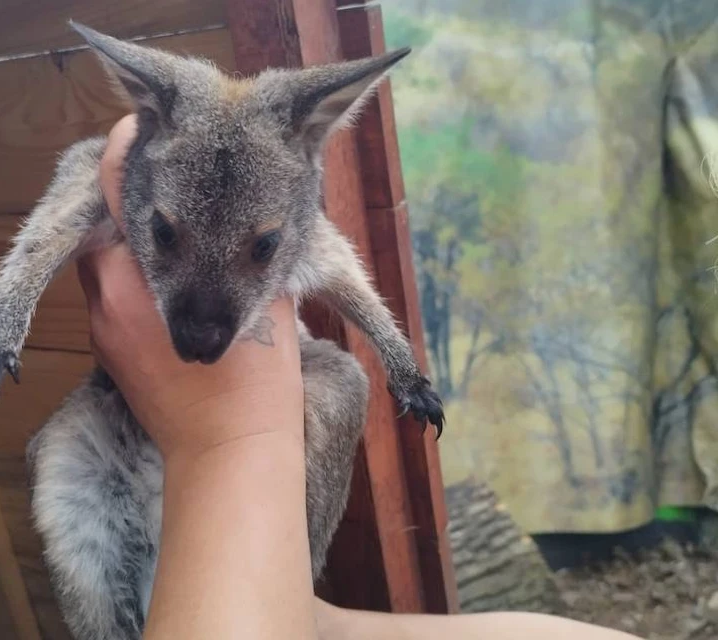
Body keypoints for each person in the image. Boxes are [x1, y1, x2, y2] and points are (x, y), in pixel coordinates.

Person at [75, 114, 643, 640]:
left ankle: (295, 594)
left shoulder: (289, 214)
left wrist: (225, 440)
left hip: (234, 456)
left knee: (345, 379)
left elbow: (345, 279)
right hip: (126, 459)